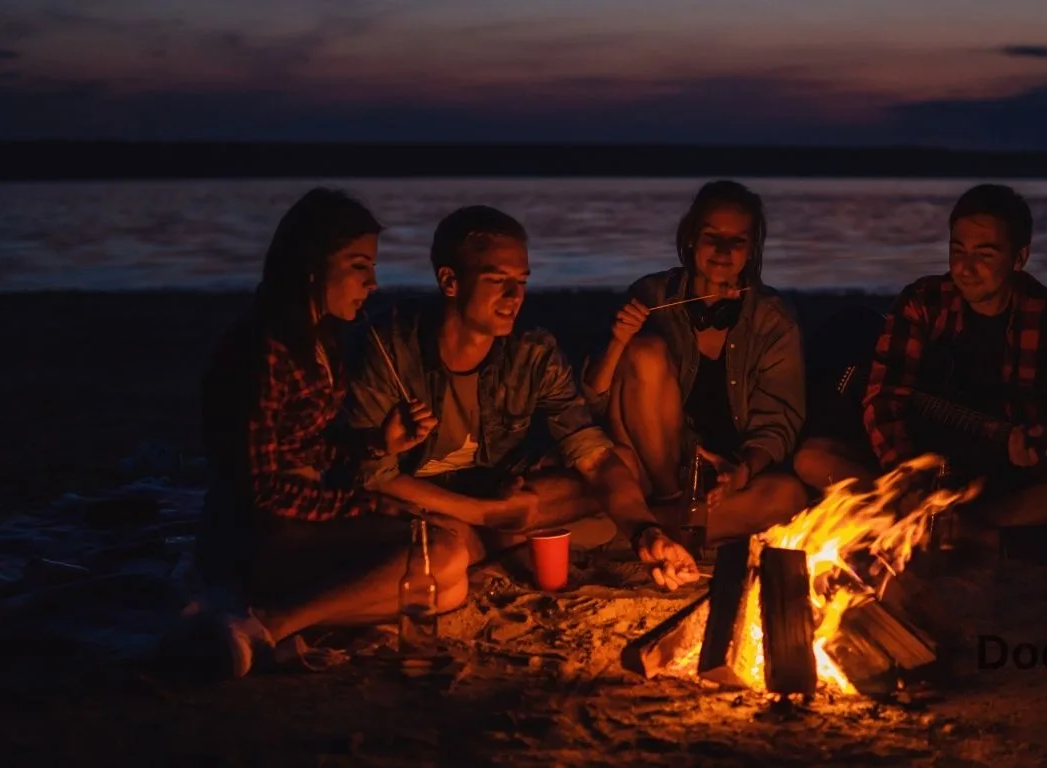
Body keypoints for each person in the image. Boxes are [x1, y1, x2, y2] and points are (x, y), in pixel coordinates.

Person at [343, 205, 699, 591]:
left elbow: (594, 457)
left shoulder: (532, 353)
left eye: (522, 281)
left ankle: (488, 536)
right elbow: (374, 476)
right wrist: (486, 513)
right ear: (450, 281)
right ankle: (488, 536)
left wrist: (645, 533)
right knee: (395, 514)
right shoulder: (390, 348)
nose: (515, 296)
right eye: (497, 280)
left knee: (621, 465)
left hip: (488, 497)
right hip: (420, 499)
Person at [194, 187, 457, 679]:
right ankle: (267, 622)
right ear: (312, 266)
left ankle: (270, 620)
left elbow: (304, 445)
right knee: (439, 558)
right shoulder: (264, 350)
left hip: (299, 516)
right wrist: (363, 505)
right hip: (255, 532)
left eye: (373, 268)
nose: (373, 283)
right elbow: (261, 488)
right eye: (360, 266)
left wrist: (380, 443)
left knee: (446, 577)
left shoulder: (318, 337)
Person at [793, 183, 1047, 555]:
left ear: (1019, 258)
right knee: (813, 459)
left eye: (984, 255)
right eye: (958, 250)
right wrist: (906, 474)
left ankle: (958, 525)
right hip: (920, 462)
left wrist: (1032, 443)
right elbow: (884, 396)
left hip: (992, 471)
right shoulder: (924, 302)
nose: (965, 268)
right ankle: (958, 526)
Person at [580, 180, 809, 544]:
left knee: (789, 498)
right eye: (711, 236)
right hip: (651, 471)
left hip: (723, 479)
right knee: (644, 353)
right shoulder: (651, 296)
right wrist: (618, 342)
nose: (722, 250)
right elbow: (592, 403)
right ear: (690, 238)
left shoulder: (773, 320)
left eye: (737, 241)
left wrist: (743, 472)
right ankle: (674, 509)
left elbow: (778, 424)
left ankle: (642, 525)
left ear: (751, 249)